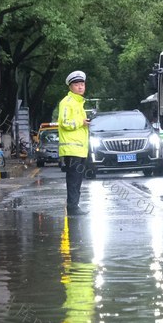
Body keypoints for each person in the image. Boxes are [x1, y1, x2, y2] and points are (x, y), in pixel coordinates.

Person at [57, 70, 90, 216]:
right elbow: (64, 122)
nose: (80, 87)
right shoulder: (67, 102)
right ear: (70, 87)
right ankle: (72, 207)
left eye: (82, 84)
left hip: (80, 149)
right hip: (71, 149)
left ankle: (74, 205)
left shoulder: (79, 104)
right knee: (73, 180)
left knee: (78, 180)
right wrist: (80, 122)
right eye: (77, 84)